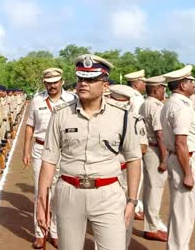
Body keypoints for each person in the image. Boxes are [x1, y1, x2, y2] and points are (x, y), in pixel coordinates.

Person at [36, 54, 142, 250]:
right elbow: (49, 161)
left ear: (105, 85)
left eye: (91, 79)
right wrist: (41, 203)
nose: (84, 83)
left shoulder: (122, 117)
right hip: (69, 191)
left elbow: (134, 158)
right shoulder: (60, 115)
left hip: (108, 193)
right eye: (80, 78)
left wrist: (132, 201)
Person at [22, 67, 76, 249]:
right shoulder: (37, 100)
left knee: (60, 193)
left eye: (56, 82)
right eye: (49, 82)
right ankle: (40, 233)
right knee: (41, 192)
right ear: (44, 82)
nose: (52, 85)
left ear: (62, 81)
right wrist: (26, 151)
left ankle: (55, 231)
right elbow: (29, 126)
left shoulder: (72, 100)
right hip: (41, 149)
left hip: (63, 151)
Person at [160, 65, 195, 250]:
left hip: (180, 159)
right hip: (187, 161)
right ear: (182, 85)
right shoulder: (181, 107)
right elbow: (181, 142)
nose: (194, 84)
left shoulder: (171, 104)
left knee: (180, 212)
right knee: (184, 213)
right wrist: (188, 173)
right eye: (191, 81)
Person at [108, 84, 148, 248]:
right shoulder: (101, 119)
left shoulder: (134, 120)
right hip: (106, 172)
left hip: (125, 170)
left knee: (126, 211)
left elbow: (143, 148)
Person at [139, 75, 169, 242]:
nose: (164, 91)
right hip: (155, 149)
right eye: (163, 88)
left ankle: (152, 222)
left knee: (151, 188)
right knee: (155, 189)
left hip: (148, 148)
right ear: (156, 89)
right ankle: (152, 227)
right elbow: (160, 133)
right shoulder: (156, 106)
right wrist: (164, 159)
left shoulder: (145, 104)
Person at [124, 69, 146, 220]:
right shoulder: (137, 99)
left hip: (126, 141)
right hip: (134, 142)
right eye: (143, 81)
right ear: (137, 83)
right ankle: (135, 207)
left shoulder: (128, 95)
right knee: (136, 176)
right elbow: (137, 123)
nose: (145, 84)